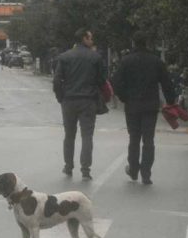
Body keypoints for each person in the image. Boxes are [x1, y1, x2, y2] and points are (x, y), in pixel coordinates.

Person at [113, 31, 176, 185]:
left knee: (134, 138)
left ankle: (133, 169)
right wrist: (171, 101)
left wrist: (124, 97)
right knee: (149, 140)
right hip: (150, 106)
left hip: (132, 106)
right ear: (146, 43)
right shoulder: (156, 61)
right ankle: (146, 173)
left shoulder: (126, 61)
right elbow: (167, 83)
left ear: (133, 43)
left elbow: (116, 82)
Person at [52, 28, 106, 180]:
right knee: (87, 136)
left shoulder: (64, 57)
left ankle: (68, 167)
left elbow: (57, 80)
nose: (92, 40)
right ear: (84, 38)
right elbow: (102, 80)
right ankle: (85, 170)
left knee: (69, 135)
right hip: (88, 101)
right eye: (90, 38)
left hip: (68, 100)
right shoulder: (95, 57)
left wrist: (60, 97)